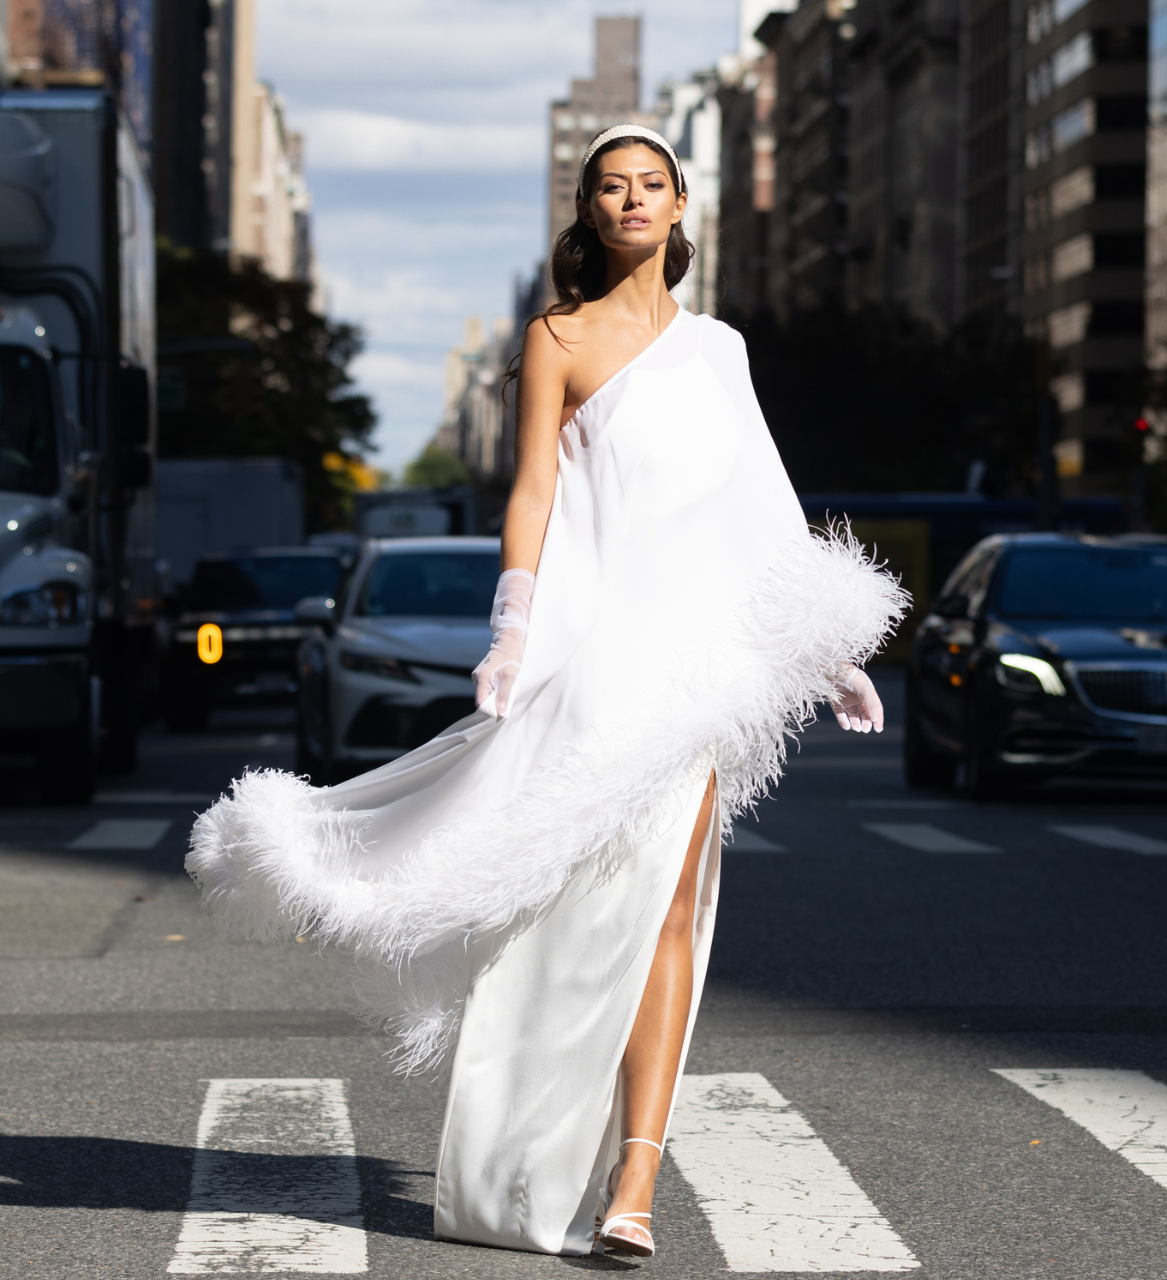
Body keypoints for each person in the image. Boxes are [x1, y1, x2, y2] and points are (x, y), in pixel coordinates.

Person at [187, 124, 906, 1260]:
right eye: (609, 187)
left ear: (679, 210)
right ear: (588, 213)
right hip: (597, 658)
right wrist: (512, 627)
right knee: (564, 911)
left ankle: (634, 1180)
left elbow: (764, 507)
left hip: (701, 671)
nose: (630, 200)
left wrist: (829, 651)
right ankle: (521, 1150)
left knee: (674, 907)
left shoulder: (719, 350)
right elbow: (530, 492)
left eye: (650, 185)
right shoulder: (556, 339)